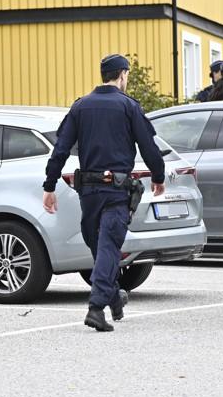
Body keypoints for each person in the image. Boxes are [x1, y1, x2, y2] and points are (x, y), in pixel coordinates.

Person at [42, 54, 165, 332]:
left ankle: (113, 297)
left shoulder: (80, 107)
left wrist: (49, 186)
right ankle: (97, 307)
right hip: (116, 191)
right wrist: (158, 177)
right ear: (122, 75)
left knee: (99, 245)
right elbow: (149, 147)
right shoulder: (128, 107)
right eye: (127, 75)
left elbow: (60, 149)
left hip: (89, 193)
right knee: (108, 246)